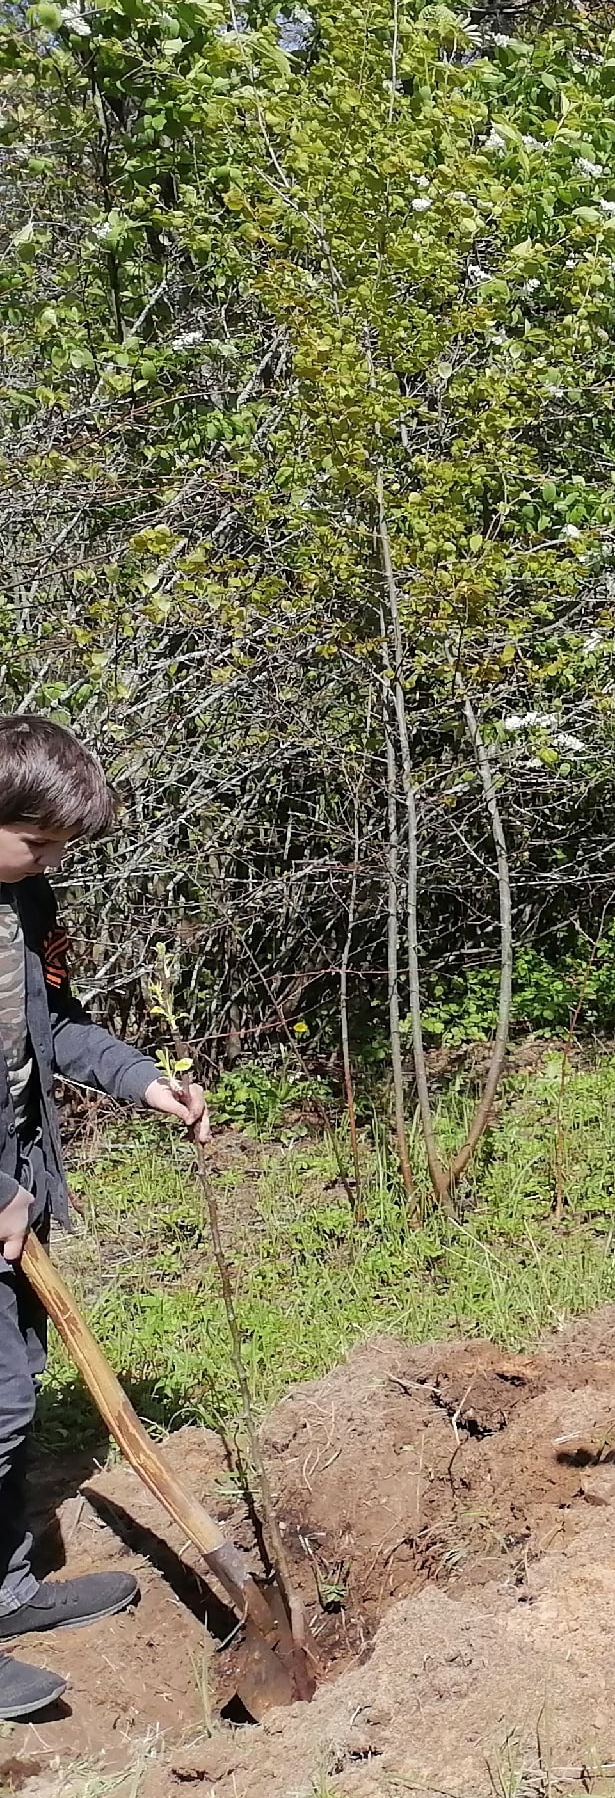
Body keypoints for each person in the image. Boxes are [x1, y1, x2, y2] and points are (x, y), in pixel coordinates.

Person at [0, 717, 212, 1721]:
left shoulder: (24, 901)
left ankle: (6, 1596)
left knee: (10, 1397)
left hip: (14, 1186)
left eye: (59, 850)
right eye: (36, 841)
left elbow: (62, 1024)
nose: (49, 863)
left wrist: (143, 1082)